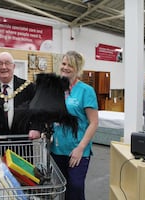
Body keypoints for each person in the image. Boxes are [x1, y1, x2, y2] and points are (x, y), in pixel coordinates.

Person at [50, 50, 99, 200]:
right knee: (61, 190)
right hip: (57, 149)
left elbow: (94, 122)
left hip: (77, 150)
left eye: (70, 65)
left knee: (75, 188)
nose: (65, 67)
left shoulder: (86, 91)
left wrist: (80, 148)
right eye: (64, 64)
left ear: (77, 69)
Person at [0, 51, 41, 141]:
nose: (4, 67)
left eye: (7, 63)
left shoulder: (28, 87)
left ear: (13, 66)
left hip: (22, 145)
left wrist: (36, 128)